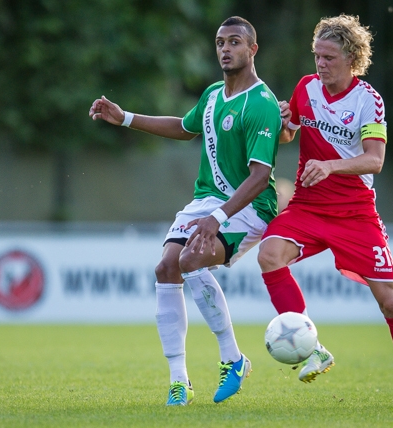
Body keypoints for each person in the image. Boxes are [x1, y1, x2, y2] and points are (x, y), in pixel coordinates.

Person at [90, 16, 281, 406]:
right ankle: (179, 381)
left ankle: (233, 359)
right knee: (166, 268)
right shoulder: (212, 94)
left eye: (234, 42)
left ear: (252, 49)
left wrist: (217, 218)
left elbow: (261, 177)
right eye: (220, 42)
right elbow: (184, 127)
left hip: (249, 206)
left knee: (192, 259)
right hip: (207, 201)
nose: (225, 49)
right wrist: (125, 118)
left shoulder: (262, 104)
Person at [257, 14, 393, 407]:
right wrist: (285, 123)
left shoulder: (368, 100)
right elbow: (289, 136)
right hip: (308, 206)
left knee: (390, 301)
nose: (320, 64)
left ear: (352, 59)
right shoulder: (306, 88)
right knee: (269, 255)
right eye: (317, 56)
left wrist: (331, 166)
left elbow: (375, 160)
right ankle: (313, 348)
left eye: (329, 57)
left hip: (355, 213)